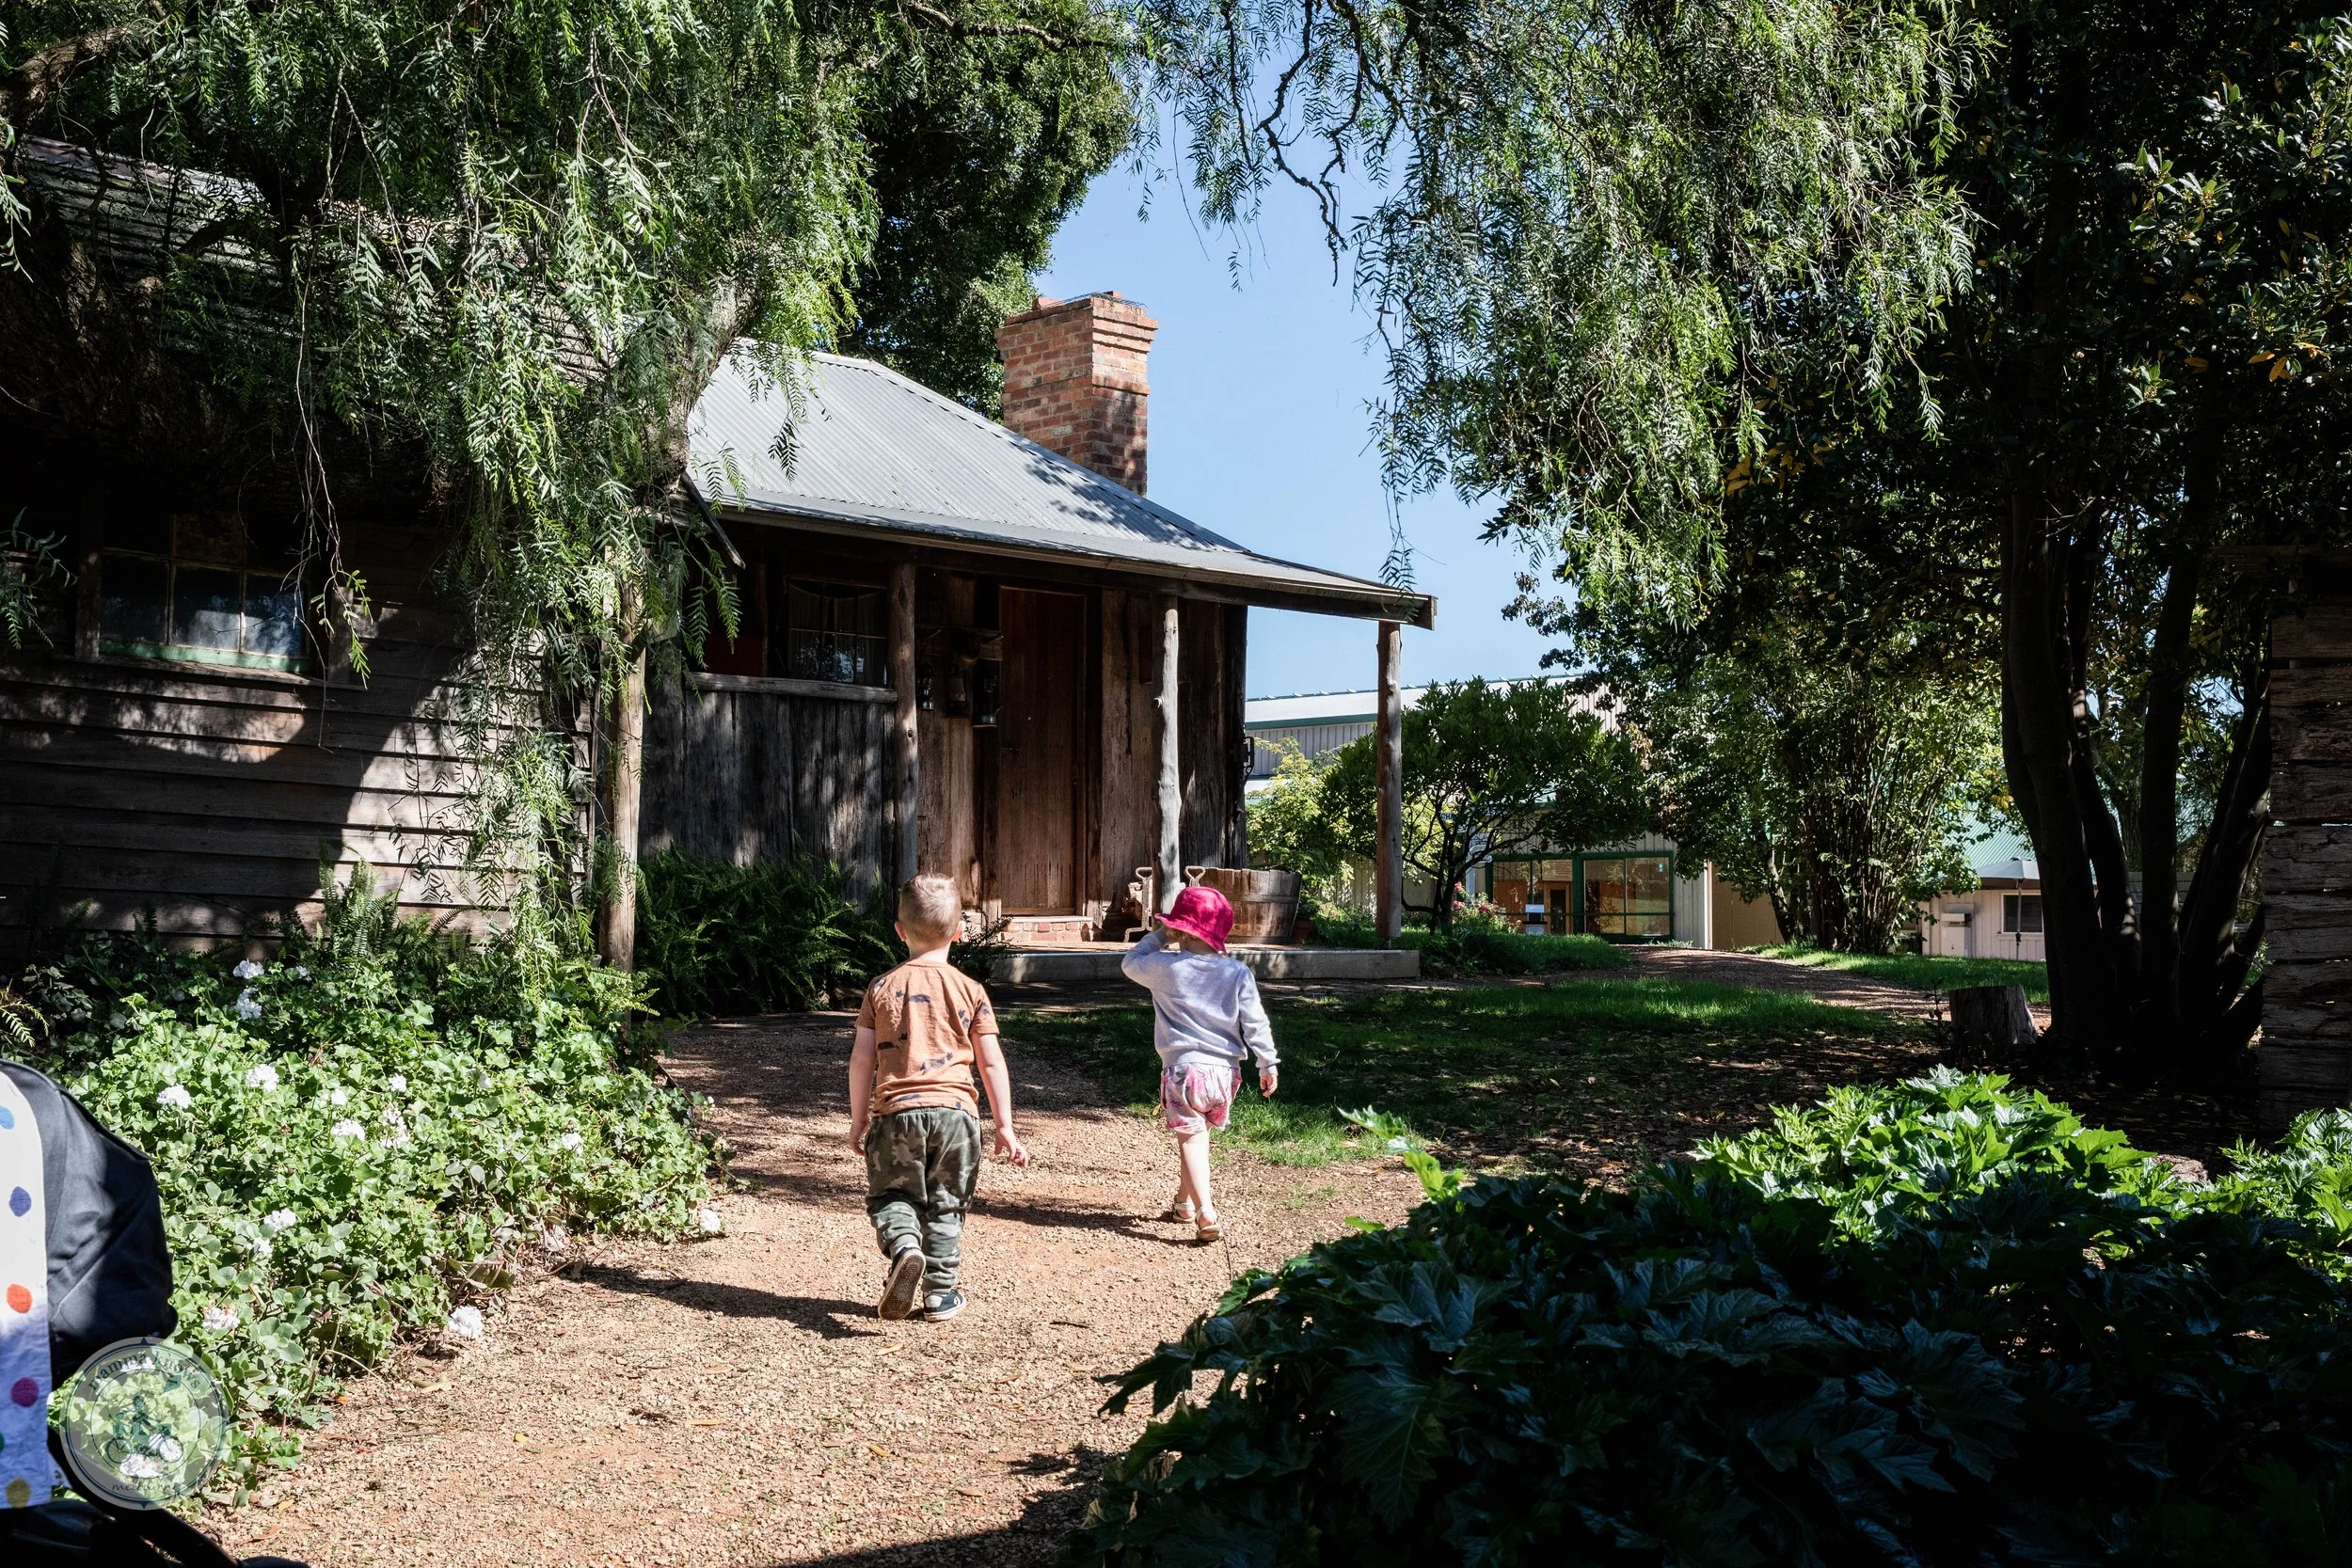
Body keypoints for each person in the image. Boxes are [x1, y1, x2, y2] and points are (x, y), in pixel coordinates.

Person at [850, 875, 1028, 1322]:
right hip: (956, 1116)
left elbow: (862, 1060)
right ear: (959, 933)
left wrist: (858, 1121)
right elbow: (991, 1064)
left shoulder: (880, 988)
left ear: (899, 930)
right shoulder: (972, 991)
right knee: (947, 1201)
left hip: (896, 1113)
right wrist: (1004, 1125)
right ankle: (939, 1294)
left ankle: (906, 1247)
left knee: (892, 1195)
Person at [1120, 885, 1279, 1243]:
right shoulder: (1237, 973)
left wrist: (1160, 934)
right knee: (1197, 1136)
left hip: (1184, 1069)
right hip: (1225, 1074)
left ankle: (1206, 1211)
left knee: (1190, 1139)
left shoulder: (1166, 968)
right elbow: (1256, 1023)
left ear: (1178, 930)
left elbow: (1130, 963)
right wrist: (1267, 1063)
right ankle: (1184, 1203)